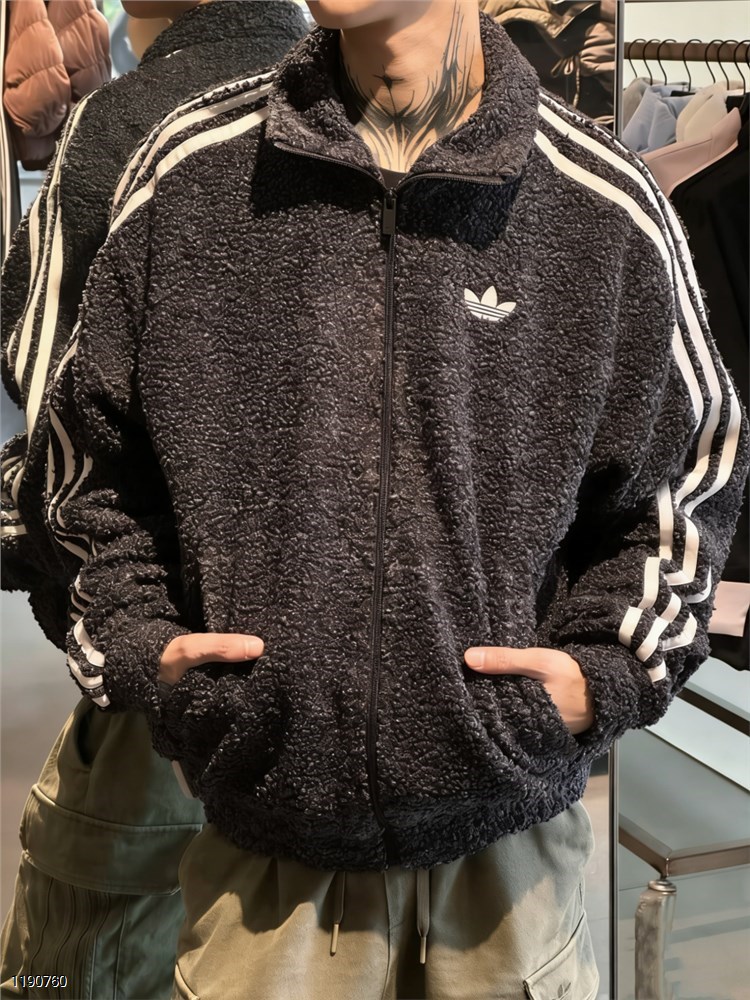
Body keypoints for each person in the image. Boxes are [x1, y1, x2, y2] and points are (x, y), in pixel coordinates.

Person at [38, 1, 750, 997]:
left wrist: (603, 673)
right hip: (265, 860)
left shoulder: (599, 203)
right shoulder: (194, 173)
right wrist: (143, 650)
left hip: (505, 867)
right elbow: (86, 464)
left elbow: (687, 479)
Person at [0, 3, 308, 997]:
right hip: (352, 691)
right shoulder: (372, 108)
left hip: (163, 665)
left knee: (95, 953)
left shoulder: (130, 123)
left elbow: (52, 406)